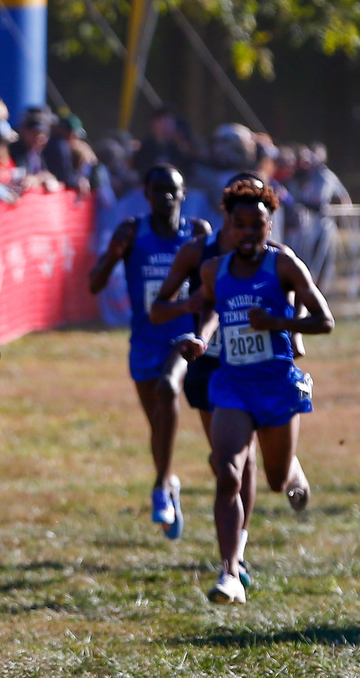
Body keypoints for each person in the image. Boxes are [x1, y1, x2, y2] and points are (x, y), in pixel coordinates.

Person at [183, 178, 334, 604]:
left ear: (270, 226)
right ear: (228, 225)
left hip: (276, 386)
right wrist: (201, 339)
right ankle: (230, 572)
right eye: (240, 224)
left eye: (257, 225)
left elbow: (324, 320)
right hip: (233, 384)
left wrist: (278, 323)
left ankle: (292, 471)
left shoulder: (283, 265)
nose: (248, 233)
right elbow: (210, 306)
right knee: (227, 471)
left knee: (274, 479)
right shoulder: (214, 269)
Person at [148, 172, 279, 583]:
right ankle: (232, 557)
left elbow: (296, 304)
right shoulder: (198, 252)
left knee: (247, 463)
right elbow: (157, 309)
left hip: (257, 366)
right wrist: (188, 305)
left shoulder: (273, 255)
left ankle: (236, 554)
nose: (248, 226)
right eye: (240, 215)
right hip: (211, 365)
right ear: (227, 210)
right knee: (228, 464)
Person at [89, 165, 210, 540]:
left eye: (172, 190)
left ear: (183, 194)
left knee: (168, 389)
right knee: (159, 427)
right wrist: (114, 255)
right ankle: (169, 483)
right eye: (157, 190)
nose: (165, 197)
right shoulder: (131, 232)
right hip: (144, 341)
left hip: (184, 337)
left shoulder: (197, 233)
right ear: (146, 194)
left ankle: (159, 487)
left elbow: (212, 285)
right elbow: (94, 284)